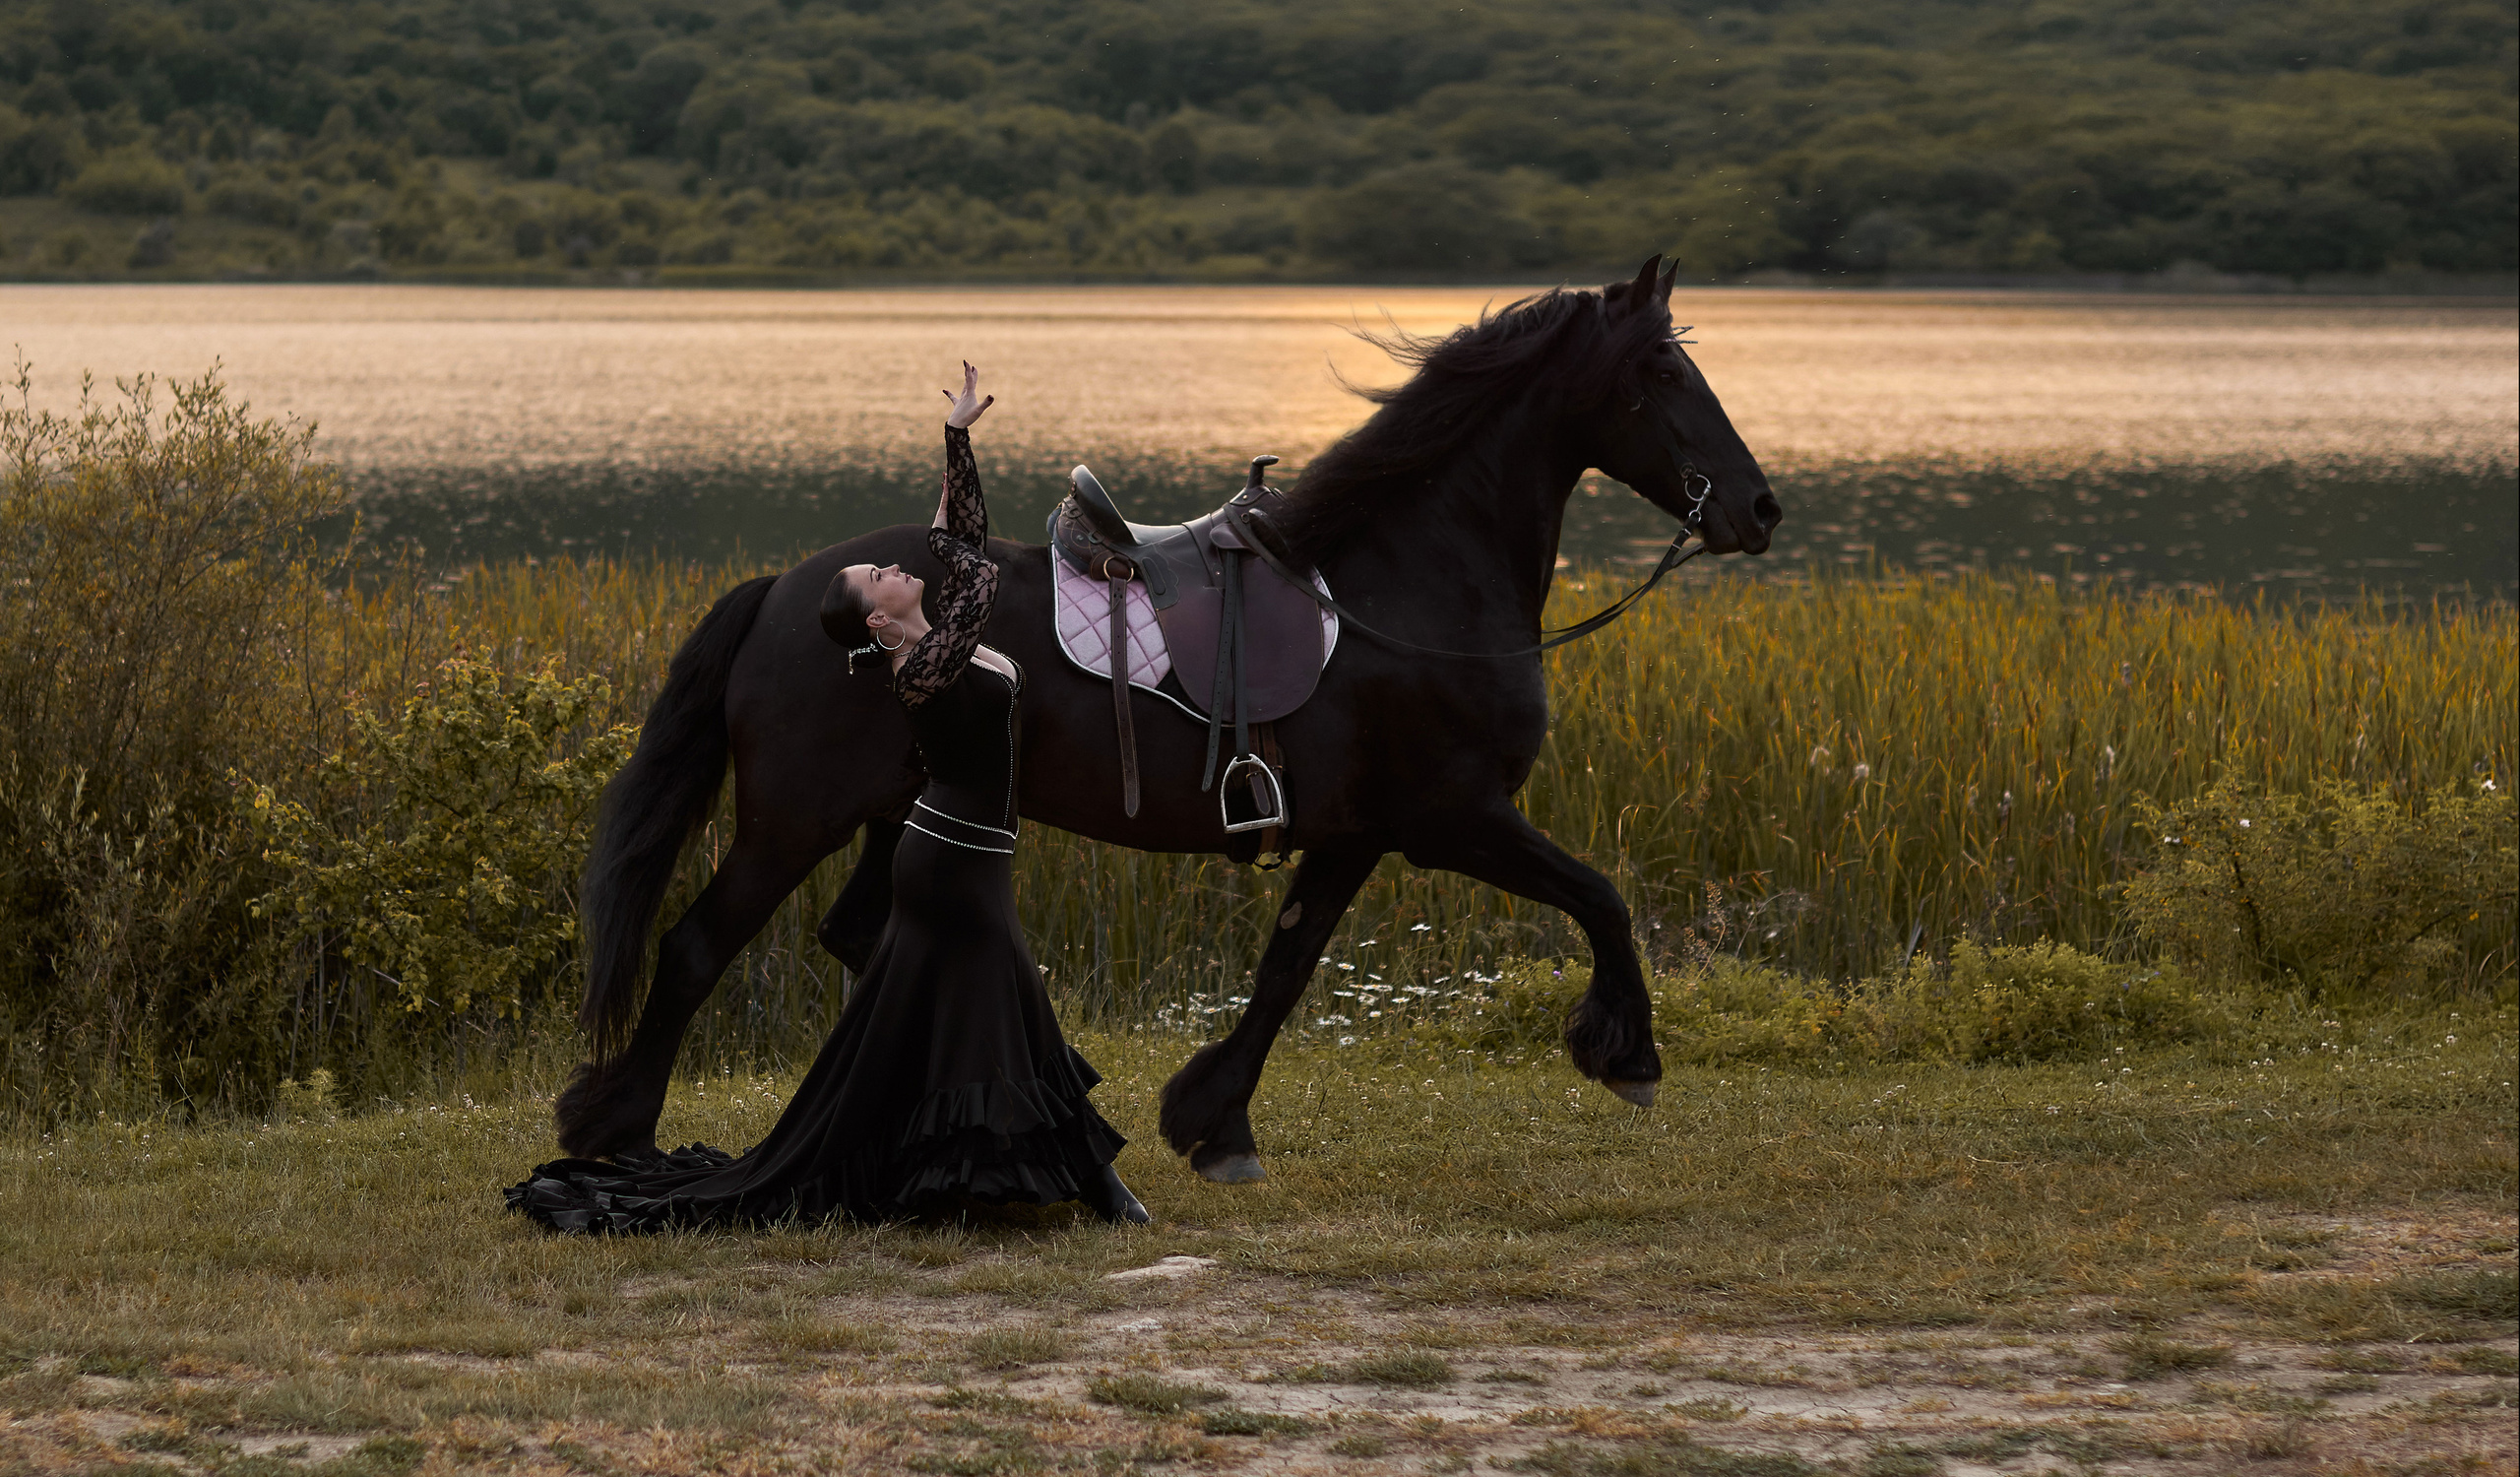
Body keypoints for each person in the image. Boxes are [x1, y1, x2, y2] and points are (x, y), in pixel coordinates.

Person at [506, 363, 1148, 1232]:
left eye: (884, 566)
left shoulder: (927, 639)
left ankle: (983, 1168)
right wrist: (957, 506)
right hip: (951, 865)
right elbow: (978, 569)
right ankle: (1099, 1189)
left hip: (964, 860)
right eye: (879, 576)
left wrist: (957, 438)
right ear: (881, 621)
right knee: (1019, 1008)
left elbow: (961, 540)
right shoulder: (925, 666)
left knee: (991, 1011)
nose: (891, 566)